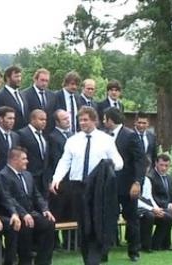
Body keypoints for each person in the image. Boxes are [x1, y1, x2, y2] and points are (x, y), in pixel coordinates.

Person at [50, 106, 123, 265]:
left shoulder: (106, 140)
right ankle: (87, 259)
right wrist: (57, 178)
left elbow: (119, 162)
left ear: (94, 120)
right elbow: (65, 161)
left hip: (97, 188)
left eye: (85, 120)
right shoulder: (73, 141)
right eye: (80, 120)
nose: (82, 123)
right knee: (83, 225)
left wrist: (107, 165)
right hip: (77, 187)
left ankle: (95, 258)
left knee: (96, 223)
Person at [0, 147, 55, 265]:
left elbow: (36, 195)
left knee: (49, 223)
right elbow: (8, 199)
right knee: (26, 226)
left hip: (30, 213)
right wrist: (23, 214)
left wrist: (45, 209)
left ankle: (43, 261)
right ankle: (25, 261)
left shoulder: (27, 175)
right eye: (24, 159)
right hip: (13, 215)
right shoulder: (3, 176)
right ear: (14, 160)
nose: (27, 161)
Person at [103, 107, 146, 261]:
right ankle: (104, 251)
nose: (103, 121)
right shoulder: (103, 136)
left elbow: (140, 161)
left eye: (104, 119)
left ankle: (134, 251)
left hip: (128, 186)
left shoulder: (130, 136)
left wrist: (137, 182)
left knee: (132, 218)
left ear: (110, 119)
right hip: (109, 186)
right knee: (108, 218)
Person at [47, 110, 75, 249]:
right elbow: (54, 160)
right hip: (59, 182)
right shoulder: (52, 137)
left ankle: (71, 243)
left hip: (72, 182)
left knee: (71, 212)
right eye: (64, 119)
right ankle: (55, 243)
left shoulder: (72, 135)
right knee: (57, 212)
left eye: (68, 118)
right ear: (57, 122)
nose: (68, 121)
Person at [138, 156, 172, 252]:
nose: (164, 168)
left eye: (147, 167)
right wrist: (152, 209)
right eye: (161, 165)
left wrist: (157, 209)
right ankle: (145, 246)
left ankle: (156, 244)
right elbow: (136, 200)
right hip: (136, 208)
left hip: (149, 207)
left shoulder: (147, 180)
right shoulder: (133, 180)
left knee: (167, 216)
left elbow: (150, 197)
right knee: (149, 216)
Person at [17, 109, 49, 194]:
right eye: (41, 119)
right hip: (30, 174)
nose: (44, 122)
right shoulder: (22, 134)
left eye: (45, 120)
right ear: (32, 119)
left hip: (43, 177)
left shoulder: (44, 135)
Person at [147, 153, 172, 249]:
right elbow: (151, 197)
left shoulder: (169, 178)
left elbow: (170, 195)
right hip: (153, 208)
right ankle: (156, 244)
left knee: (170, 213)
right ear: (156, 163)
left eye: (166, 166)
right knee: (168, 215)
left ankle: (167, 244)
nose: (164, 168)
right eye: (161, 165)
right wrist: (167, 205)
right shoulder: (150, 177)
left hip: (167, 207)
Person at [21, 68, 56, 134]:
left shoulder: (52, 95)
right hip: (32, 133)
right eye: (42, 80)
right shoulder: (25, 95)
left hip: (49, 133)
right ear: (35, 79)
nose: (44, 83)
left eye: (46, 81)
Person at [0, 106, 20, 171]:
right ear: (1, 119)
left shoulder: (15, 136)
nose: (12, 121)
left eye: (13, 118)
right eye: (9, 118)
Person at [0, 66, 28, 130]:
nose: (19, 79)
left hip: (24, 133)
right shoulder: (0, 95)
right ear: (8, 78)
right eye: (16, 76)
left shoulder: (23, 94)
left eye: (20, 76)